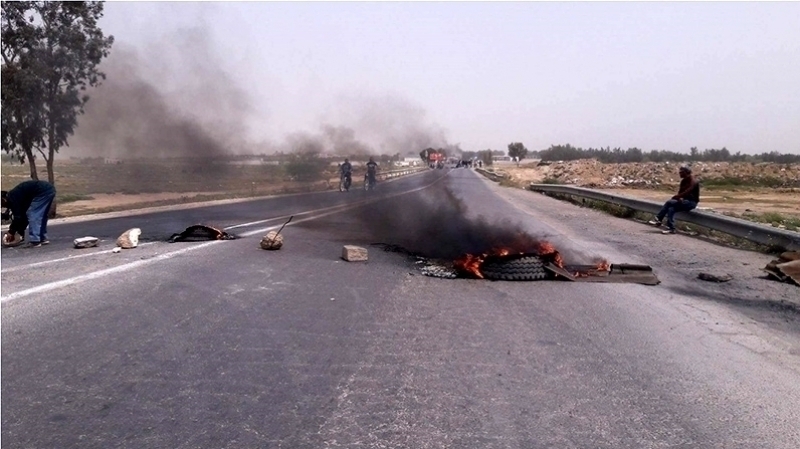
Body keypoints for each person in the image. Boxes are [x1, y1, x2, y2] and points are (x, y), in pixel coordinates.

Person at [2, 180, 57, 247]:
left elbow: (18, 217)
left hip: (42, 191)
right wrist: (19, 232)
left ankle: (35, 241)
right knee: (41, 216)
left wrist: (11, 232)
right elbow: (22, 217)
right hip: (49, 189)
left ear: (3, 200)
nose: (3, 206)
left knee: (33, 214)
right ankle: (42, 238)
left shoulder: (14, 198)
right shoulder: (15, 196)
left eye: (2, 204)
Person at [648, 166, 700, 234]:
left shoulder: (694, 181)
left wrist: (677, 197)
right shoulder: (683, 181)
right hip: (684, 201)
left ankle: (659, 219)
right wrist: (679, 198)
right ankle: (671, 228)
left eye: (681, 172)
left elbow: (688, 191)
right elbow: (680, 192)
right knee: (671, 209)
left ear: (686, 173)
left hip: (691, 203)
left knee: (669, 202)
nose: (679, 174)